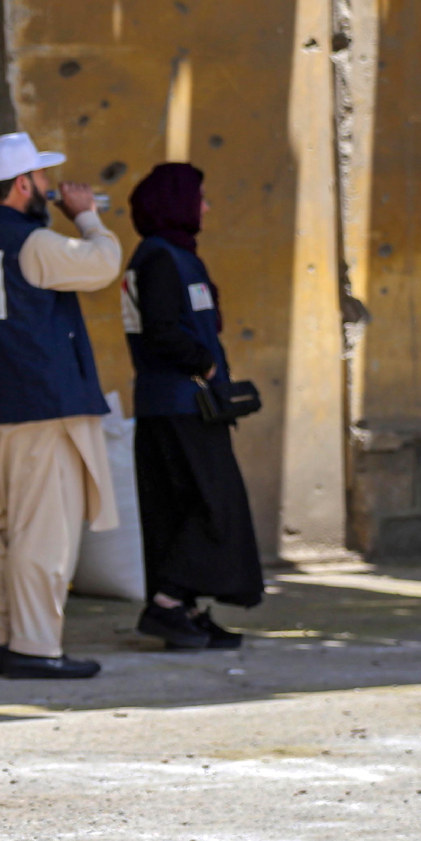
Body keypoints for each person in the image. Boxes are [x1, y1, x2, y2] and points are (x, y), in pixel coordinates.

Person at [0, 132, 123, 679]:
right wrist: (85, 215)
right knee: (43, 534)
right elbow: (102, 264)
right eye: (41, 179)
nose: (48, 187)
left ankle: (5, 640)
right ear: (22, 185)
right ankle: (37, 648)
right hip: (40, 411)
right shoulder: (34, 243)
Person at [121, 162, 264, 648]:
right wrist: (203, 363)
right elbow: (161, 331)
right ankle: (167, 602)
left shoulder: (177, 256)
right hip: (176, 405)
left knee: (190, 508)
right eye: (199, 197)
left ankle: (182, 608)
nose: (206, 206)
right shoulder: (160, 258)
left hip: (189, 406)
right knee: (211, 507)